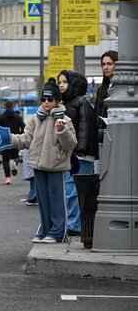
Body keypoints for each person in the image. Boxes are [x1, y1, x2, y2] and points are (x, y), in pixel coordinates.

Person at [9, 79, 77, 243]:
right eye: (43, 99)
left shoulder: (65, 120)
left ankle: (58, 232)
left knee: (56, 200)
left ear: (57, 101)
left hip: (56, 166)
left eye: (50, 99)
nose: (46, 102)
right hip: (38, 165)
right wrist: (9, 138)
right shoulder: (35, 119)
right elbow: (25, 140)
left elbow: (70, 145)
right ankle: (46, 230)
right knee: (43, 201)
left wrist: (62, 131)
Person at [58, 70, 97, 235]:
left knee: (76, 191)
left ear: (73, 83)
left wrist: (77, 152)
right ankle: (76, 225)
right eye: (60, 82)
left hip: (80, 156)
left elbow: (85, 130)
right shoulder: (66, 103)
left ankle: (77, 226)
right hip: (73, 155)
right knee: (72, 191)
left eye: (65, 82)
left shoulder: (81, 102)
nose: (61, 85)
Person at [94, 50, 117, 172]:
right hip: (99, 138)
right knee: (98, 174)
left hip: (114, 138)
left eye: (109, 64)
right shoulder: (102, 89)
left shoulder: (121, 88)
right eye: (103, 64)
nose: (106, 67)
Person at [0, 100, 24, 185]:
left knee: (5, 159)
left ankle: (8, 178)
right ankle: (14, 162)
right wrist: (20, 134)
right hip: (15, 139)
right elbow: (24, 127)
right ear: (13, 106)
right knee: (15, 156)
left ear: (5, 107)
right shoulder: (18, 117)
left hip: (4, 140)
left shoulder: (0, 117)